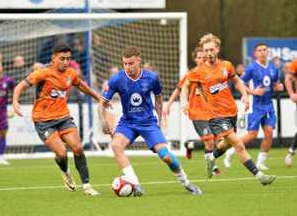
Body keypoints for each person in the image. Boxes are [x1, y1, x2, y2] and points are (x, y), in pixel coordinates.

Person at [98, 46, 202, 196]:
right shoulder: (117, 79)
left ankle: (186, 182)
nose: (127, 67)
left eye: (131, 63)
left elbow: (158, 99)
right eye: (125, 63)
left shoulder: (152, 77)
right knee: (115, 145)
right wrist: (103, 121)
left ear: (138, 60)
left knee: (166, 157)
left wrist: (158, 121)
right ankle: (135, 183)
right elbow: (102, 103)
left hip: (148, 122)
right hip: (128, 122)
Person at [181, 34, 276, 186]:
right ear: (204, 52)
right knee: (238, 143)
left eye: (212, 49)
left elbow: (237, 81)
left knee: (226, 143)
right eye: (206, 50)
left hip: (231, 112)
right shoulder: (198, 71)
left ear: (217, 49)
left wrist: (245, 95)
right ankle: (259, 176)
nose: (209, 53)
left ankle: (211, 158)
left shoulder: (227, 66)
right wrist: (185, 101)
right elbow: (185, 86)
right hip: (215, 116)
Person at [13, 43, 106, 196]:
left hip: (63, 117)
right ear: (53, 58)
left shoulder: (71, 73)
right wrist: (16, 102)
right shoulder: (42, 72)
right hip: (43, 120)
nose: (65, 62)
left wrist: (99, 98)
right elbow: (20, 86)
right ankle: (65, 171)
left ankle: (87, 186)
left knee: (77, 147)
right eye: (62, 59)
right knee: (62, 153)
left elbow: (81, 85)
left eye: (68, 59)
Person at [163, 46, 222, 175]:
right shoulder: (192, 73)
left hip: (211, 111)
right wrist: (168, 105)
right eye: (199, 57)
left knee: (217, 140)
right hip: (197, 112)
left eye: (204, 57)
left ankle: (190, 145)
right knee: (210, 140)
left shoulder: (211, 72)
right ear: (195, 59)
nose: (202, 60)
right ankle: (212, 167)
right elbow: (179, 89)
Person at [224, 42, 284, 170]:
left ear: (268, 52)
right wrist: (253, 91)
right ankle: (232, 152)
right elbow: (238, 84)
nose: (262, 52)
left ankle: (261, 162)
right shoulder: (251, 68)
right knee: (252, 135)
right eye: (260, 50)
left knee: (269, 133)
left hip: (268, 106)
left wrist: (278, 86)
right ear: (255, 54)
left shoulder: (274, 68)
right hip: (255, 106)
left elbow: (275, 84)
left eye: (264, 50)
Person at [0, 61, 15, 165]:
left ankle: (1, 158)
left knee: (2, 134)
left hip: (2, 113)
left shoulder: (8, 81)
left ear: (1, 68)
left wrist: (14, 104)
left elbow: (15, 92)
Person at [284, 58, 297, 167]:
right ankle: (292, 150)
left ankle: (291, 150)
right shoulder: (295, 62)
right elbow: (288, 79)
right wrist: (291, 94)